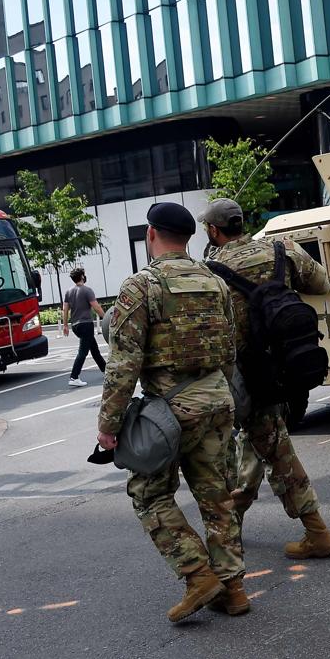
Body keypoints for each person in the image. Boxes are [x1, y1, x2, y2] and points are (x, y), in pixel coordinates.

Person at [95, 202, 246, 623]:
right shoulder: (214, 281)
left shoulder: (141, 286)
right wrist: (222, 395)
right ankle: (233, 589)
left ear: (150, 234)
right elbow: (230, 349)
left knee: (148, 494)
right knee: (217, 497)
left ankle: (198, 574)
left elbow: (123, 364)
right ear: (189, 238)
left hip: (172, 410)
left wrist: (108, 427)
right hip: (219, 399)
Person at [198, 198, 330, 559]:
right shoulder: (281, 249)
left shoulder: (211, 270)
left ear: (214, 231)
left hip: (244, 376)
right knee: (269, 443)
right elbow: (322, 284)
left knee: (250, 453)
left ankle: (235, 541)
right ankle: (304, 528)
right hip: (287, 366)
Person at [61, 267, 106, 387]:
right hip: (86, 324)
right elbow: (96, 307)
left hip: (75, 325)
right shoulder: (87, 290)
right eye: (84, 274)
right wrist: (106, 319)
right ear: (81, 276)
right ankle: (74, 377)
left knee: (94, 349)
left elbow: (65, 309)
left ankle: (105, 370)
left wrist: (65, 325)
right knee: (83, 352)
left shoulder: (68, 292)